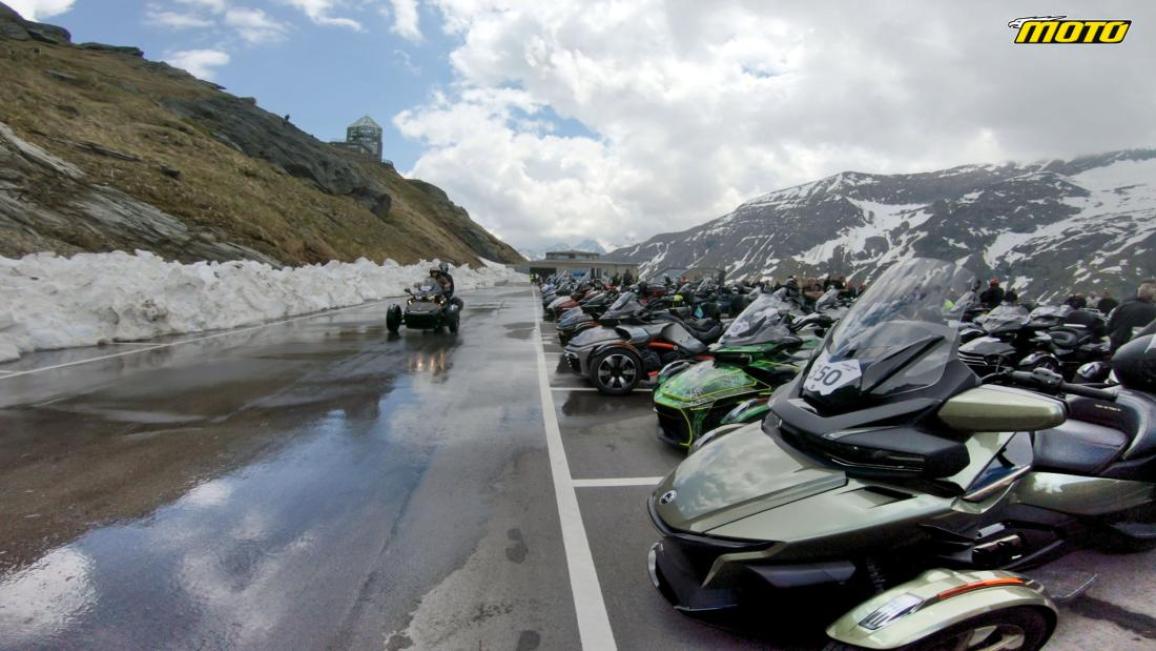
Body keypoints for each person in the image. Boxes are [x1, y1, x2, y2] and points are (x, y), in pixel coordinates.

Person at [1107, 281, 1156, 351]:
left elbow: (1109, 327)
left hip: (1116, 347)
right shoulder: (1152, 310)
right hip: (1138, 351)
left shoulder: (1123, 305)